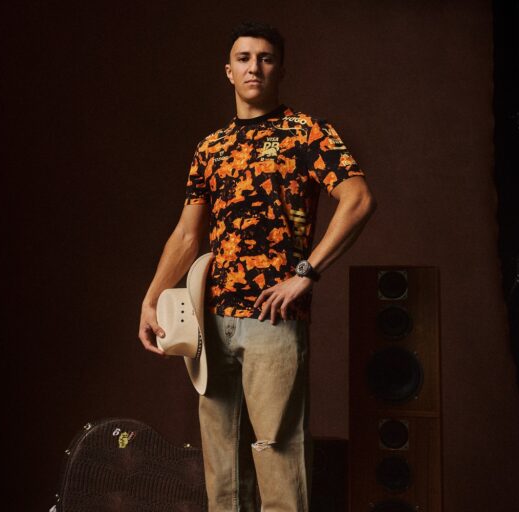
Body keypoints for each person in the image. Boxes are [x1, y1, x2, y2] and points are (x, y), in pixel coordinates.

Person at [139, 20, 375, 512]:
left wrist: (306, 273)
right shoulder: (211, 147)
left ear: (280, 69)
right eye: (244, 59)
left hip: (274, 318)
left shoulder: (306, 132)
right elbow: (187, 235)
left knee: (278, 455)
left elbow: (357, 200)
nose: (254, 68)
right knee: (221, 468)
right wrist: (152, 298)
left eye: (265, 58)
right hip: (211, 321)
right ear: (228, 71)